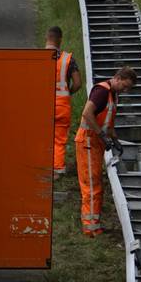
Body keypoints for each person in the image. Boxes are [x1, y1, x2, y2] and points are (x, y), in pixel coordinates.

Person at [73, 65, 136, 236]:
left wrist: (114, 139)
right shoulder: (102, 91)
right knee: (91, 185)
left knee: (95, 184)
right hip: (88, 142)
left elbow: (106, 122)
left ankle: (93, 224)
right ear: (117, 78)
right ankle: (90, 227)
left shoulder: (112, 95)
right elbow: (87, 113)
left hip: (95, 143)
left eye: (128, 89)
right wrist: (101, 134)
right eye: (124, 86)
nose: (125, 90)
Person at [47, 26, 82, 176]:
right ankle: (57, 168)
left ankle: (39, 166)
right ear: (60, 39)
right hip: (61, 105)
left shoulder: (35, 56)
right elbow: (78, 83)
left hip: (40, 104)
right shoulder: (68, 59)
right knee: (59, 139)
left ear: (47, 38)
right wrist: (68, 92)